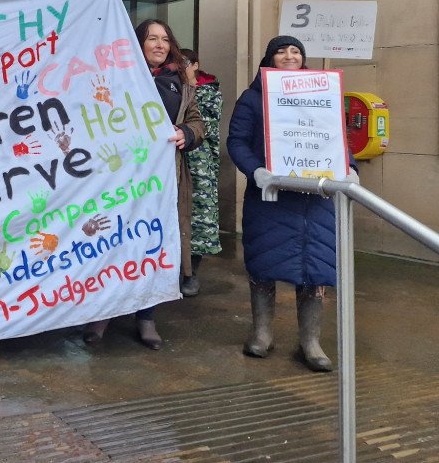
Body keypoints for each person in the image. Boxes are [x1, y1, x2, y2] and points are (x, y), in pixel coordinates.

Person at [226, 35, 356, 372]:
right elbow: (237, 141)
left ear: (303, 59)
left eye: (295, 51)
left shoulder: (322, 98)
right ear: (269, 59)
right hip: (269, 197)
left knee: (316, 270)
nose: (289, 55)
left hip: (314, 200)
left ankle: (310, 341)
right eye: (281, 51)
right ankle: (262, 332)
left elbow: (335, 137)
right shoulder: (252, 98)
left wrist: (349, 168)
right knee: (263, 265)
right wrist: (256, 171)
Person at [84, 19, 204, 349]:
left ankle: (146, 317)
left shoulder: (180, 83)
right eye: (152, 38)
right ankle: (102, 315)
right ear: (138, 43)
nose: (159, 44)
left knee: (152, 243)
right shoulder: (115, 77)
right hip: (119, 179)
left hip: (163, 182)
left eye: (165, 39)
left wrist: (188, 133)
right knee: (116, 243)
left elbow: (196, 121)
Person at [180, 48, 222, 296]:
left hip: (199, 164)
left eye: (184, 62)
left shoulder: (209, 93)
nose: (180, 66)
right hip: (174, 160)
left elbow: (202, 127)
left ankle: (191, 273)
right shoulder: (168, 87)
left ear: (195, 64)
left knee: (198, 220)